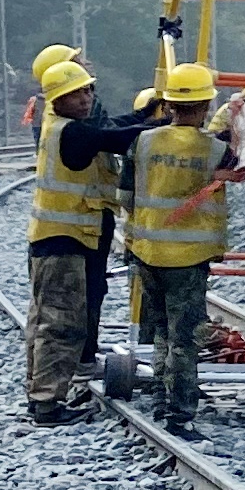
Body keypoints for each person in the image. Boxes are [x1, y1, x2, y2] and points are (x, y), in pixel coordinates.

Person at [25, 47, 154, 423]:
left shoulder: (60, 124)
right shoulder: (73, 132)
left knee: (47, 320)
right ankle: (48, 404)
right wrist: (169, 127)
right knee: (61, 322)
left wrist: (146, 115)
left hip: (63, 236)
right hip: (65, 239)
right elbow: (116, 138)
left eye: (88, 92)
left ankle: (41, 396)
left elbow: (110, 130)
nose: (86, 98)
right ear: (58, 98)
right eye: (77, 93)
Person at [126, 62, 240, 428]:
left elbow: (125, 195)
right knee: (186, 337)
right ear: (207, 105)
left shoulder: (143, 142)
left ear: (169, 104)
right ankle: (180, 413)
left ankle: (160, 398)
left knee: (160, 330)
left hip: (147, 252)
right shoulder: (214, 150)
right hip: (188, 259)